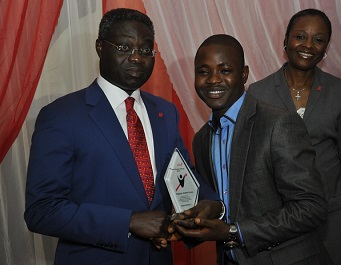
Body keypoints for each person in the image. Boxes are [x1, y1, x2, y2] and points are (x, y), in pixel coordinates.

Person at [24, 8, 221, 265]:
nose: (137, 58)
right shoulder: (61, 116)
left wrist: (214, 205)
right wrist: (128, 222)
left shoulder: (165, 112)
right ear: (99, 48)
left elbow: (182, 180)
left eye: (146, 49)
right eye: (124, 47)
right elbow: (42, 210)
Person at [172, 34, 332, 265]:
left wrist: (234, 232)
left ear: (244, 74)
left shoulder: (278, 123)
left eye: (225, 70)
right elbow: (223, 204)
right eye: (203, 72)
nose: (213, 80)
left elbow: (311, 208)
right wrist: (193, 220)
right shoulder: (202, 139)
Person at [248, 8, 341, 265]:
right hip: (281, 221)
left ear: (326, 47)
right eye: (300, 36)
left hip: (334, 219)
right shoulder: (258, 93)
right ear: (285, 41)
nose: (308, 45)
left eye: (318, 39)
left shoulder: (340, 92)